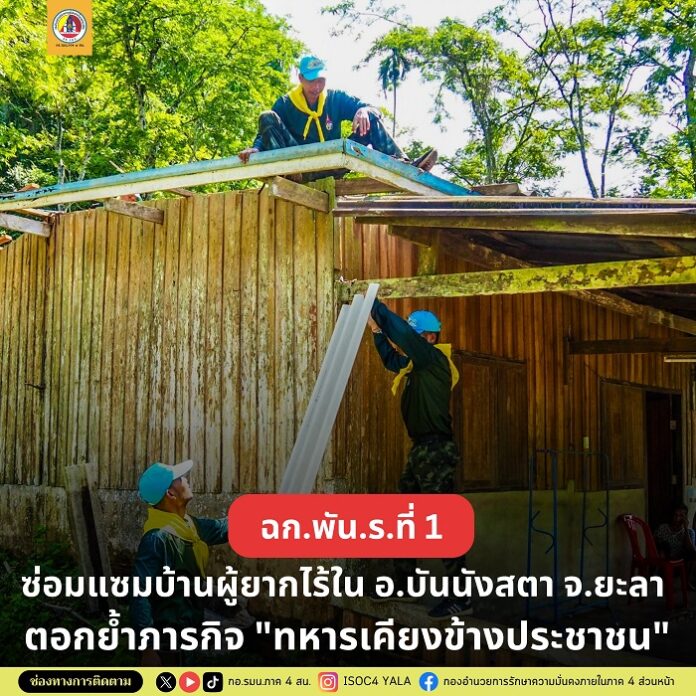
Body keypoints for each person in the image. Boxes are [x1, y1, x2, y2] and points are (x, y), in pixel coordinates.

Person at [367, 299, 471, 619]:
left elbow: (401, 334)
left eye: (415, 337)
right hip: (421, 451)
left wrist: (374, 305)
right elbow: (391, 360)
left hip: (436, 450)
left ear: (429, 337)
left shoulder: (433, 359)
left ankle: (461, 597)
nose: (408, 343)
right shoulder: (415, 366)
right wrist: (377, 331)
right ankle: (405, 585)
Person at [237, 54, 438, 175]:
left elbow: (371, 109)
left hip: (334, 163)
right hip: (299, 166)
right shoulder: (285, 103)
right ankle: (289, 173)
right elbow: (266, 130)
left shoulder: (335, 98)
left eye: (321, 80)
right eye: (311, 81)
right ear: (300, 78)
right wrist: (256, 148)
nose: (317, 86)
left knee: (369, 116)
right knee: (266, 116)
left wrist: (364, 110)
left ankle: (405, 168)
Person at [130, 460, 229, 666]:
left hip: (190, 634)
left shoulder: (189, 526)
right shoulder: (156, 538)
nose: (186, 480)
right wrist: (147, 648)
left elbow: (222, 528)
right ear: (170, 493)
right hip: (166, 642)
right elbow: (139, 593)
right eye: (180, 478)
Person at [655, 503, 696, 587]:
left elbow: (691, 551)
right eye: (675, 515)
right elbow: (653, 544)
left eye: (681, 516)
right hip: (664, 562)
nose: (677, 519)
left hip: (681, 564)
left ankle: (687, 582)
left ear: (685, 518)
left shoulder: (689, 532)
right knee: (664, 545)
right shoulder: (663, 528)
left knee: (692, 553)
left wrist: (685, 529)